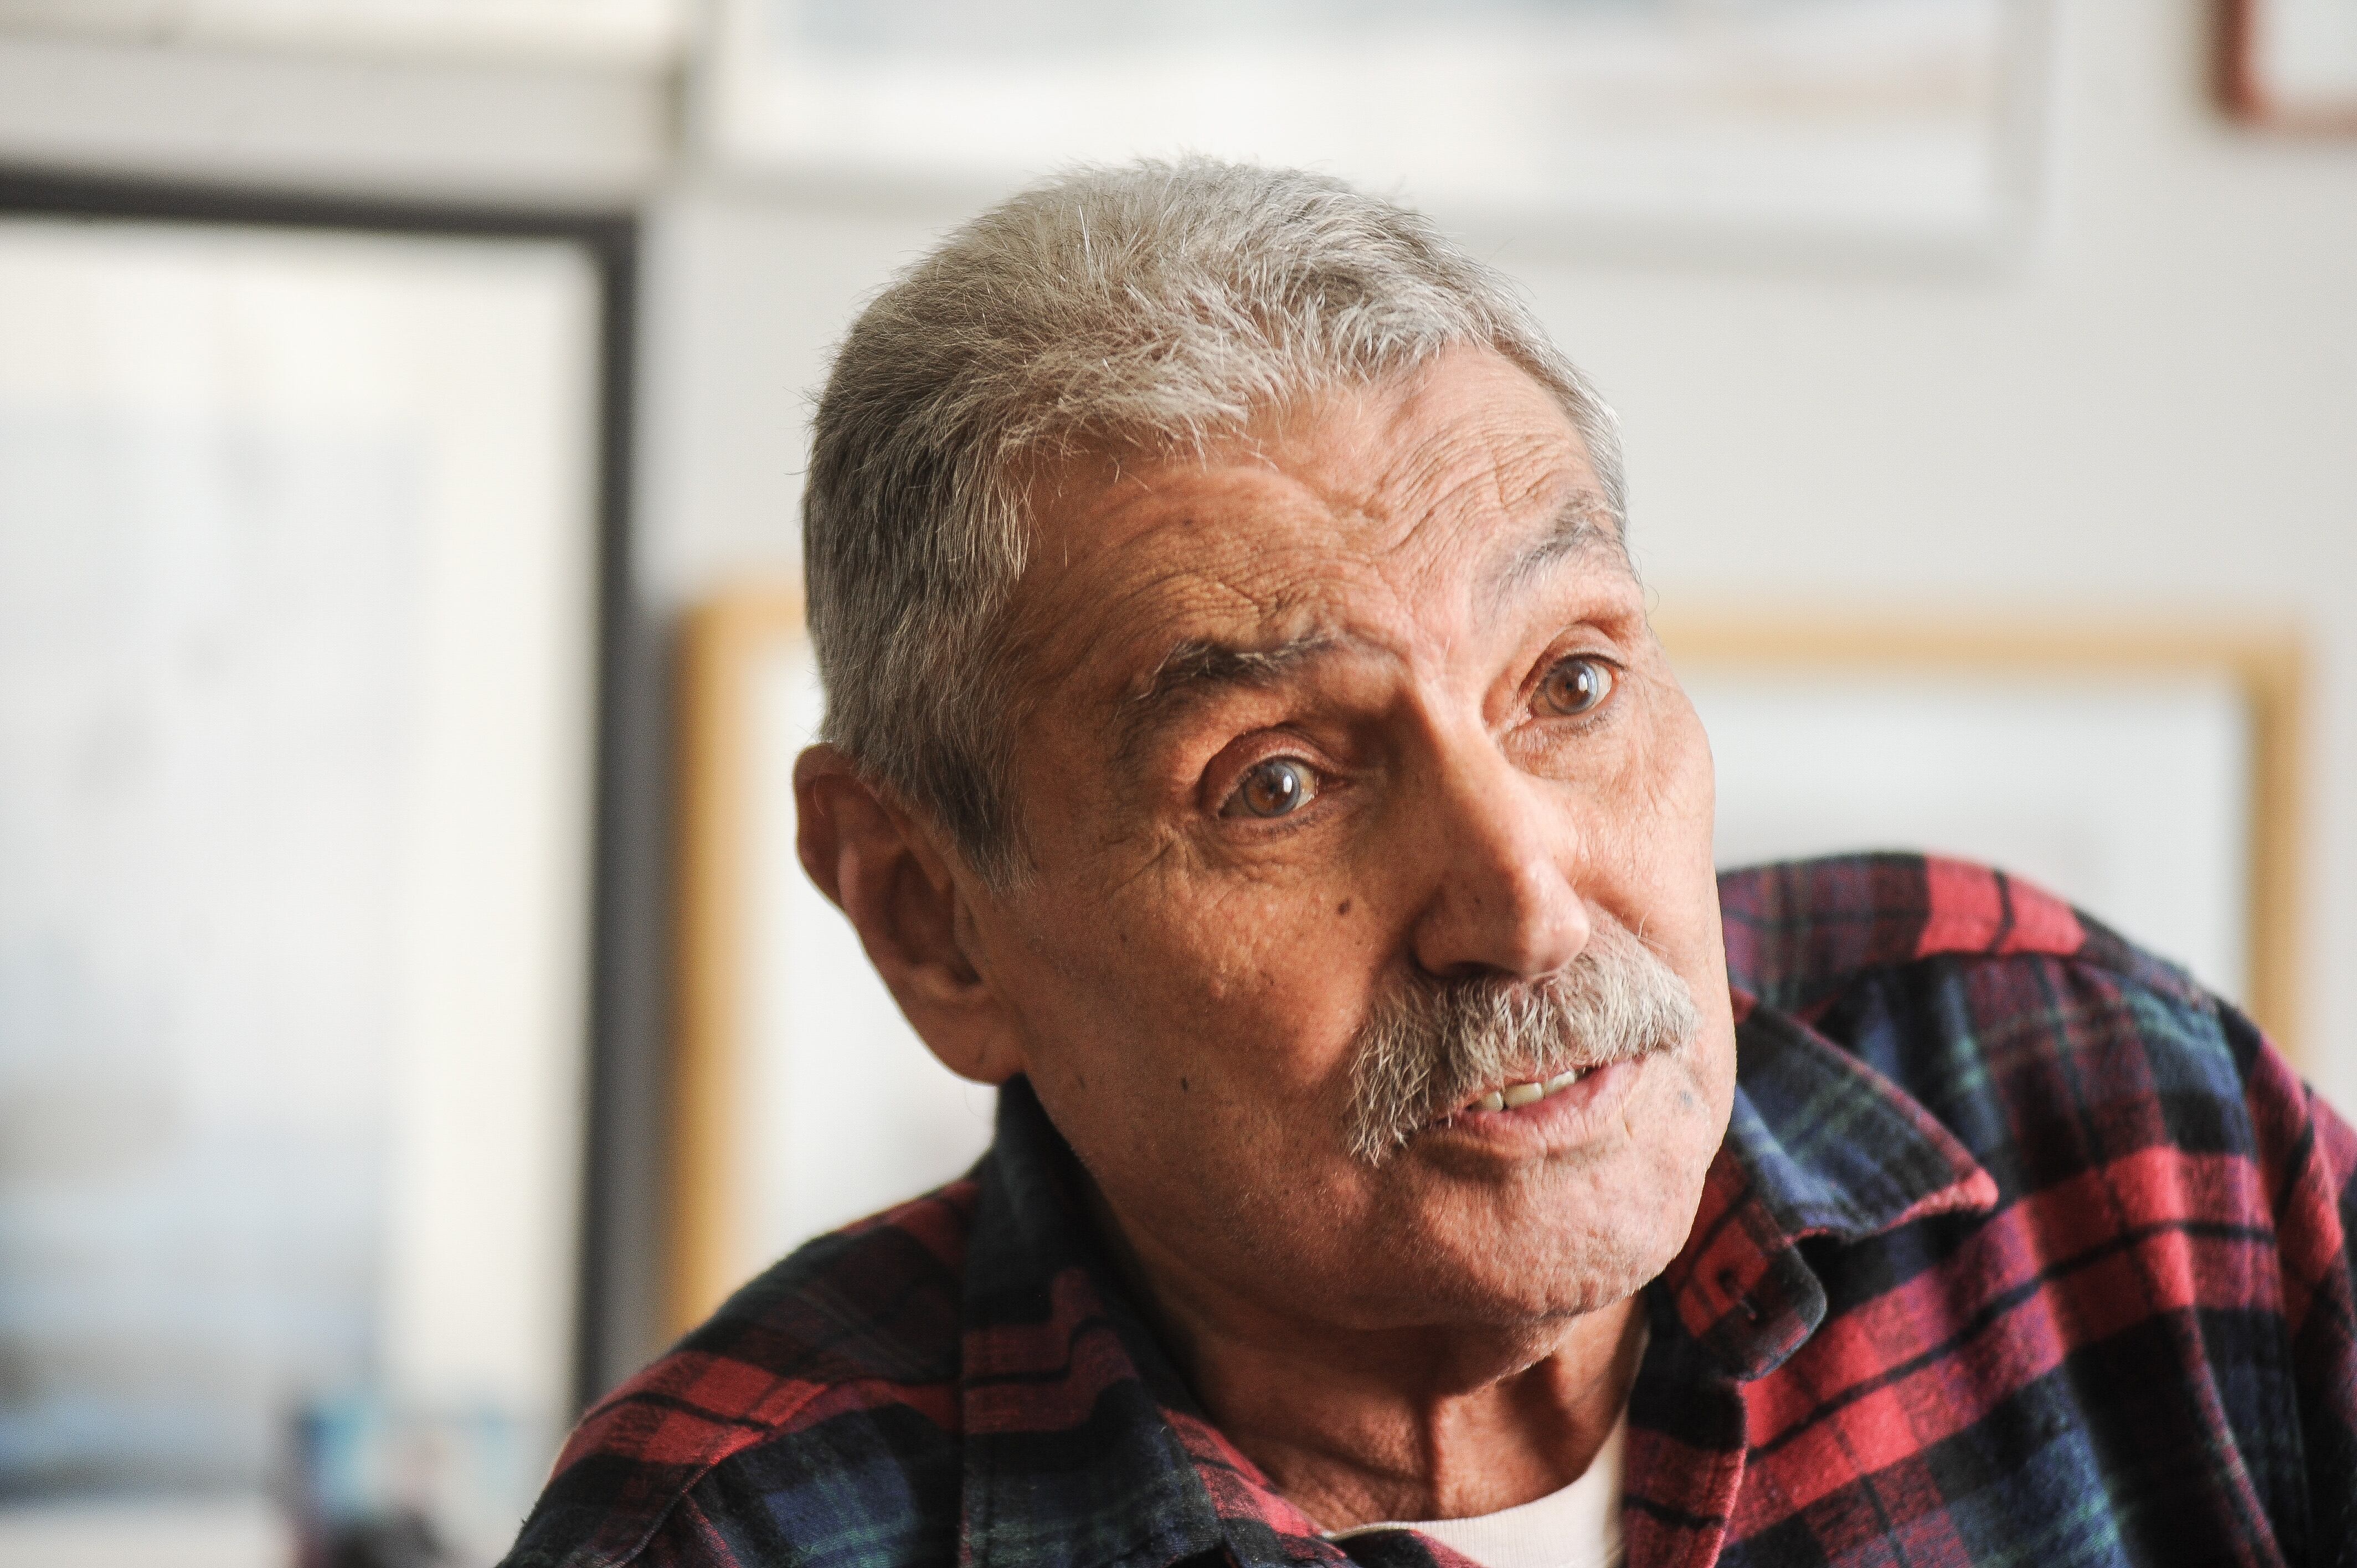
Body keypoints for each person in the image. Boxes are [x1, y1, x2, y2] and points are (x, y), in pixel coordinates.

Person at [504, 159, 2356, 1567]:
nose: (1529, 906)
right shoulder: (740, 1531)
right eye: (1279, 782)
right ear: (932, 920)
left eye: (1570, 681)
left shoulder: (2097, 1105)